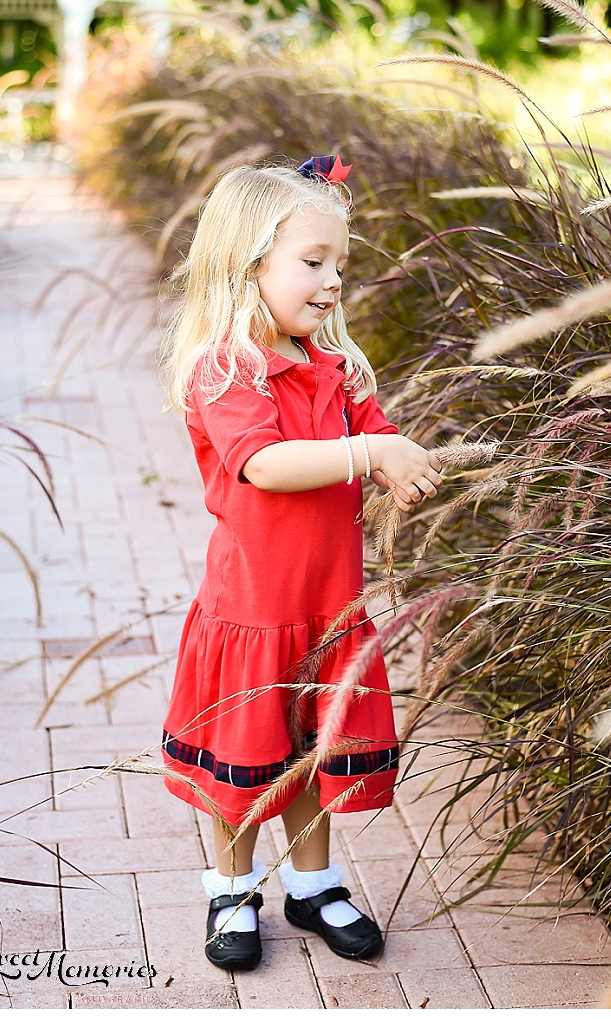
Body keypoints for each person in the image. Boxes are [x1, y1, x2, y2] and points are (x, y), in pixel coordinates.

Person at [159, 156, 442, 972]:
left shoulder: (332, 367)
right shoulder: (226, 367)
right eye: (312, 262)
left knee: (311, 756)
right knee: (244, 764)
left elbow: (374, 437)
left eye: (340, 266)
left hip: (327, 607)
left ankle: (313, 884)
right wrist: (368, 448)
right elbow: (266, 464)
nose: (332, 283)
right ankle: (231, 887)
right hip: (253, 610)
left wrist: (396, 457)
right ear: (248, 265)